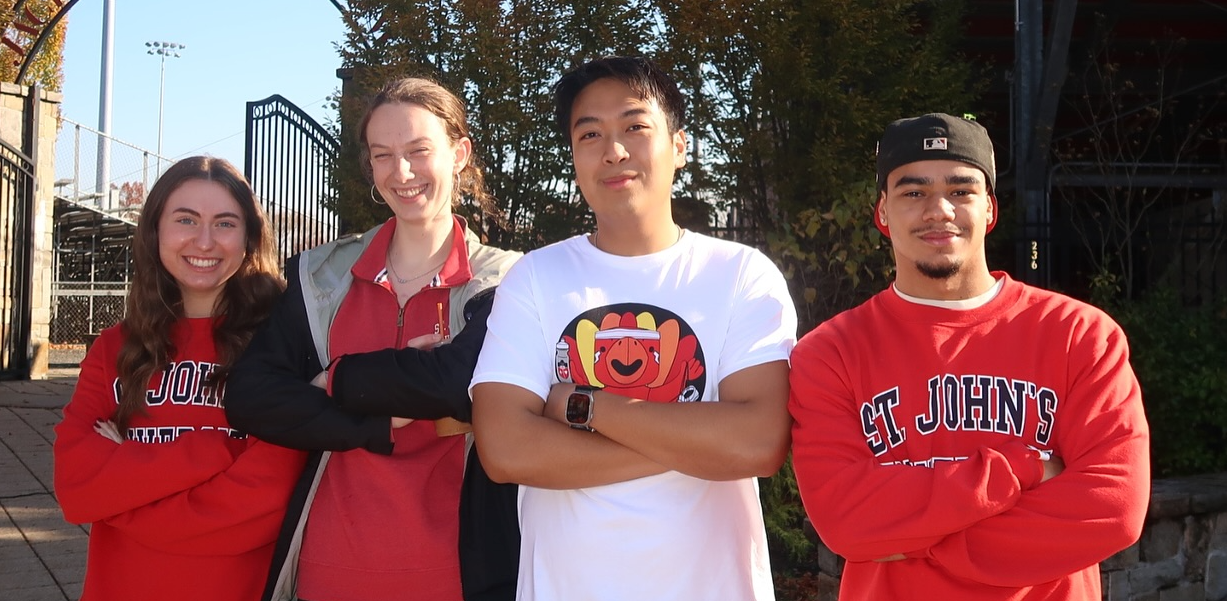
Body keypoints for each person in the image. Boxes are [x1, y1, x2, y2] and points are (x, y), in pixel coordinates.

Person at [470, 56, 797, 601]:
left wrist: (585, 408)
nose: (613, 150)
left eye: (634, 127)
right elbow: (505, 450)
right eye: (590, 134)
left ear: (680, 146)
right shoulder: (535, 278)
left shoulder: (741, 274)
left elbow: (758, 442)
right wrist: (695, 445)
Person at [788, 113, 1151, 600]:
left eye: (961, 190)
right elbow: (845, 520)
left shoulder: (1079, 334)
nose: (939, 210)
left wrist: (927, 545)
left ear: (990, 209)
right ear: (883, 213)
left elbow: (1114, 507)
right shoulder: (829, 353)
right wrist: (1025, 469)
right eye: (913, 192)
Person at [223, 77, 521, 601]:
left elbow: (457, 383)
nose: (400, 172)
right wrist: (378, 421)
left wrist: (335, 379)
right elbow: (251, 397)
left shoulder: (505, 280)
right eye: (382, 155)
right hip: (328, 570)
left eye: (418, 150)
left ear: (459, 154)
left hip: (454, 577)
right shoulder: (319, 276)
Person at [52, 156, 307, 601]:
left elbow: (261, 505)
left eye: (224, 223)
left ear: (249, 238)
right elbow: (75, 485)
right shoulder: (114, 348)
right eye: (186, 219)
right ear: (155, 231)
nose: (204, 241)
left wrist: (120, 493)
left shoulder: (281, 349)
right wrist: (216, 451)